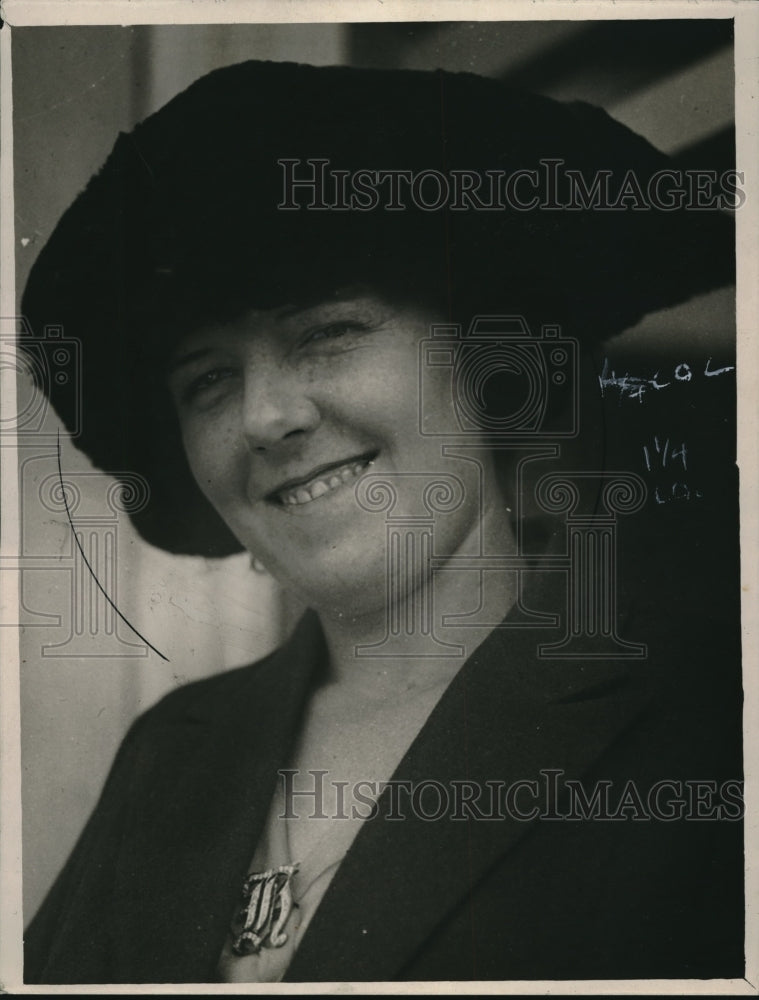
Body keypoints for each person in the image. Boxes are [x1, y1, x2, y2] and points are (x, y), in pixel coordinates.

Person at [20, 59, 742, 984]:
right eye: (207, 380)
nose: (262, 416)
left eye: (326, 332)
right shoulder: (175, 752)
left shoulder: (702, 724)